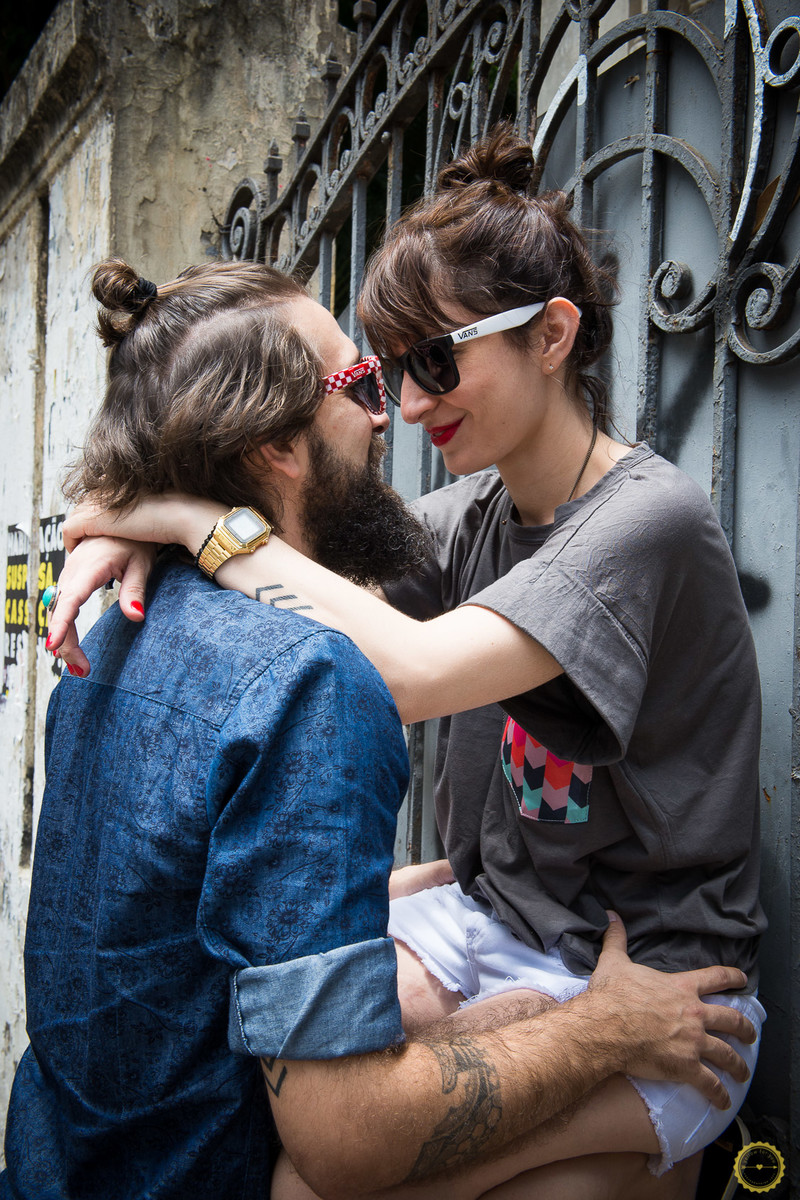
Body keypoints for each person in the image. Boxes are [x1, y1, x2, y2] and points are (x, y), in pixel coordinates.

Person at [0, 256, 757, 1200]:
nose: (393, 408)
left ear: (553, 337)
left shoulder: (115, 636)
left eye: (427, 362)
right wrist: (599, 1027)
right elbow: (348, 1140)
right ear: (277, 446)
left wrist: (171, 513)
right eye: (368, 378)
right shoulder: (307, 678)